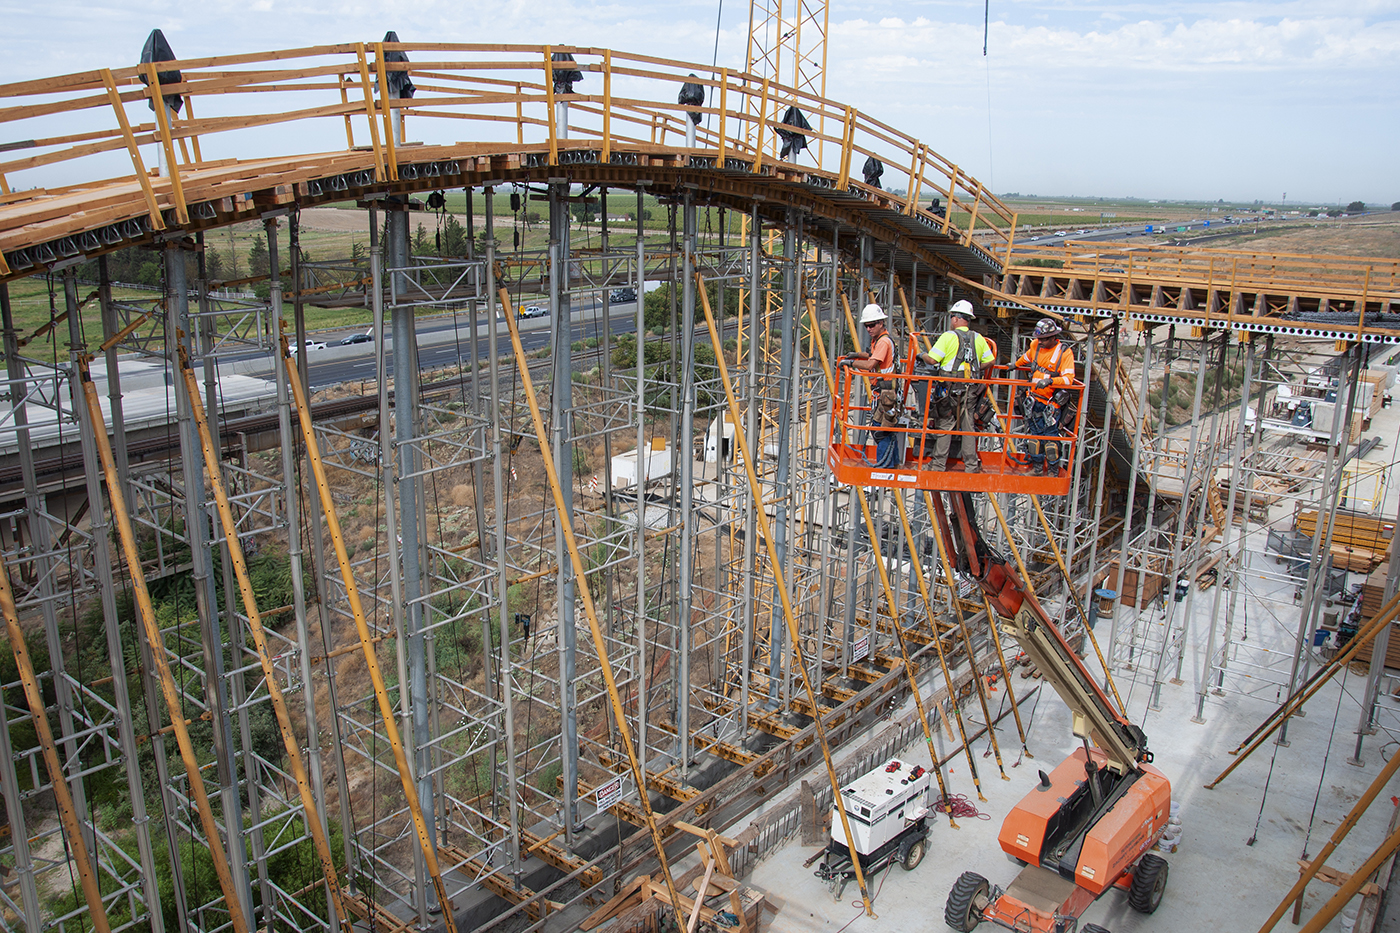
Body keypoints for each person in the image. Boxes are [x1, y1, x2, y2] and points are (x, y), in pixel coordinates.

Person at [917, 300, 995, 472]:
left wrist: (922, 354)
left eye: (952, 316)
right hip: (970, 388)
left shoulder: (948, 337)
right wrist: (975, 368)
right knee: (968, 426)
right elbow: (990, 361)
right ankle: (971, 465)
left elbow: (933, 360)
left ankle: (938, 464)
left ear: (956, 319)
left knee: (946, 424)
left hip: (949, 388)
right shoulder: (978, 338)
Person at [1014, 318, 1077, 474]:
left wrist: (1050, 381)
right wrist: (1014, 365)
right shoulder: (1036, 346)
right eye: (1039, 339)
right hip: (1034, 400)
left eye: (1043, 339)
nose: (1040, 342)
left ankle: (1052, 470)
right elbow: (1028, 357)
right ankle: (1037, 468)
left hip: (1051, 403)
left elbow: (1068, 379)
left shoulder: (1064, 353)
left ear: (1052, 337)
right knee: (1034, 438)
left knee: (1050, 440)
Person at [841, 303, 900, 468]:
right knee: (886, 428)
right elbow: (871, 356)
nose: (868, 328)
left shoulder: (883, 342)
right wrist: (858, 355)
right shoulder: (880, 340)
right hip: (884, 391)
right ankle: (892, 462)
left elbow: (870, 364)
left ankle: (885, 464)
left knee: (880, 430)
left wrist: (851, 362)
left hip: (885, 392)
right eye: (866, 325)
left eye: (872, 325)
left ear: (881, 323)